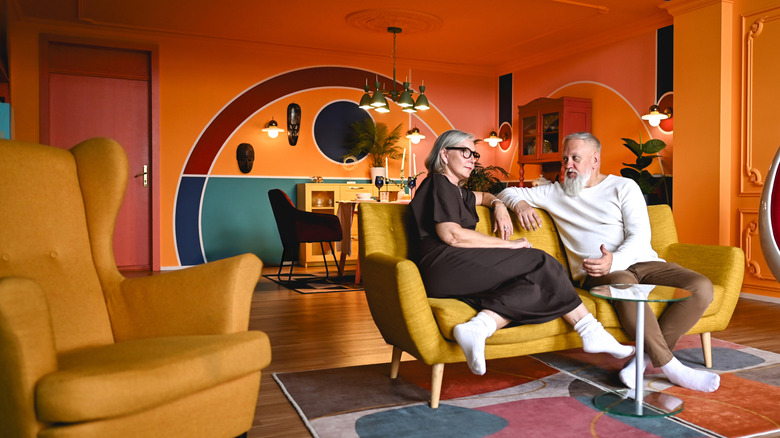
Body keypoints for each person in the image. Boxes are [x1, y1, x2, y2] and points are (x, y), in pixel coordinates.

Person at [498, 132, 719, 393]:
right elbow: (505, 190)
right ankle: (673, 368)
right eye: (565, 159)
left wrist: (615, 260)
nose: (568, 165)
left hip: (643, 262)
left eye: (575, 158)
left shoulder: (624, 186)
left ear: (595, 160)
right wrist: (519, 204)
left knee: (701, 286)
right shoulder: (555, 192)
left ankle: (641, 363)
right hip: (597, 272)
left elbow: (640, 236)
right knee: (624, 284)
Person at [409, 129, 634, 376]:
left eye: (473, 153)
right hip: (441, 265)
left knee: (535, 286)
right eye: (465, 152)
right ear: (444, 154)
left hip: (453, 269)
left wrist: (498, 205)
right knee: (540, 261)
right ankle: (590, 330)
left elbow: (483, 196)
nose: (472, 158)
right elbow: (451, 234)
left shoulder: (457, 191)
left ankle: (479, 327)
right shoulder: (437, 182)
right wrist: (509, 244)